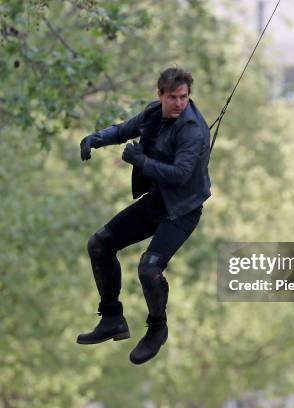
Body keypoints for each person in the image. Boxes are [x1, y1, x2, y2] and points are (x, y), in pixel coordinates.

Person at [76, 67, 212, 364]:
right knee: (99, 244)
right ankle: (112, 318)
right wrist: (96, 138)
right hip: (156, 202)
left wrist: (141, 161)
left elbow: (179, 175)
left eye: (184, 97)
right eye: (173, 97)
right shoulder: (154, 113)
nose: (179, 103)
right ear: (160, 95)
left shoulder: (192, 130)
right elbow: (125, 129)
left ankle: (157, 329)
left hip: (182, 211)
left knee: (149, 268)